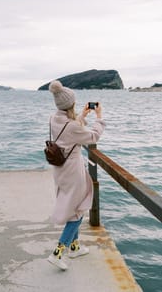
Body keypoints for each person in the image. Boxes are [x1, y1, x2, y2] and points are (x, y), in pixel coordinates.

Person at [47, 80, 106, 271]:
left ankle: (75, 247)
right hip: (73, 172)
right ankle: (58, 252)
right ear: (70, 104)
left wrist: (82, 114)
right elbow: (92, 136)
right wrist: (99, 117)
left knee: (74, 206)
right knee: (78, 211)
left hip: (60, 171)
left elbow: (69, 129)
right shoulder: (72, 126)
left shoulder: (53, 118)